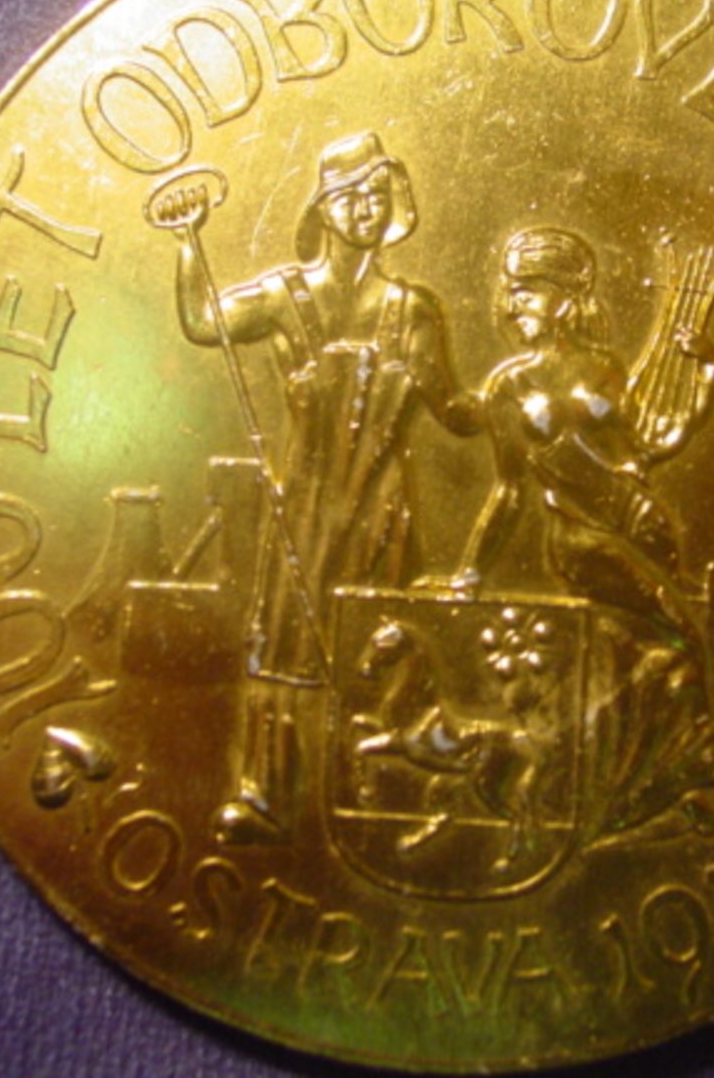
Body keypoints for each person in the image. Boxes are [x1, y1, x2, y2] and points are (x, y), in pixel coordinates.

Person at [163, 132, 478, 842]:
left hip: (382, 507)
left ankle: (364, 785)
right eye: (349, 195)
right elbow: (203, 323)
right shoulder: (283, 296)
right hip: (305, 505)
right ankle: (267, 792)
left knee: (373, 642)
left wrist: (523, 400)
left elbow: (454, 412)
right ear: (323, 208)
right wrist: (187, 242)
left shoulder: (413, 309)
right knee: (283, 639)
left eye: (378, 193)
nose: (366, 207)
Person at [449, 226, 714, 842]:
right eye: (510, 291)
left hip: (642, 528)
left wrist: (708, 373)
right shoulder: (509, 387)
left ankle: (643, 789)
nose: (512, 304)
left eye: (527, 290)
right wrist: (469, 571)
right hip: (581, 541)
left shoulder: (604, 368)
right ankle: (644, 785)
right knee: (681, 640)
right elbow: (509, 491)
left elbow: (650, 445)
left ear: (564, 297)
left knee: (646, 663)